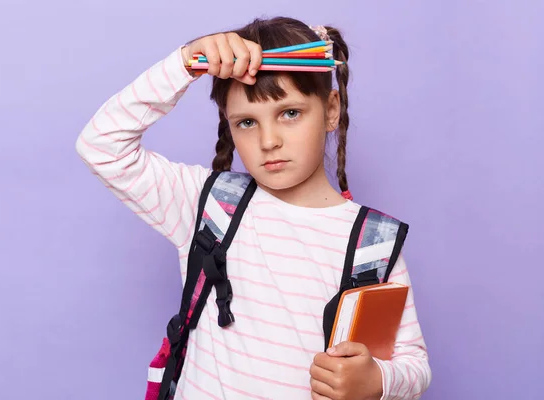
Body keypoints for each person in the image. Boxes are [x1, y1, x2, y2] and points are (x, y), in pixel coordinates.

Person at [76, 16, 431, 400]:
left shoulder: (373, 243)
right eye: (246, 122)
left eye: (290, 113)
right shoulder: (204, 203)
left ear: (331, 109)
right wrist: (183, 64)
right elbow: (101, 146)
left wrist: (378, 380)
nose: (268, 140)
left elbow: (412, 362)